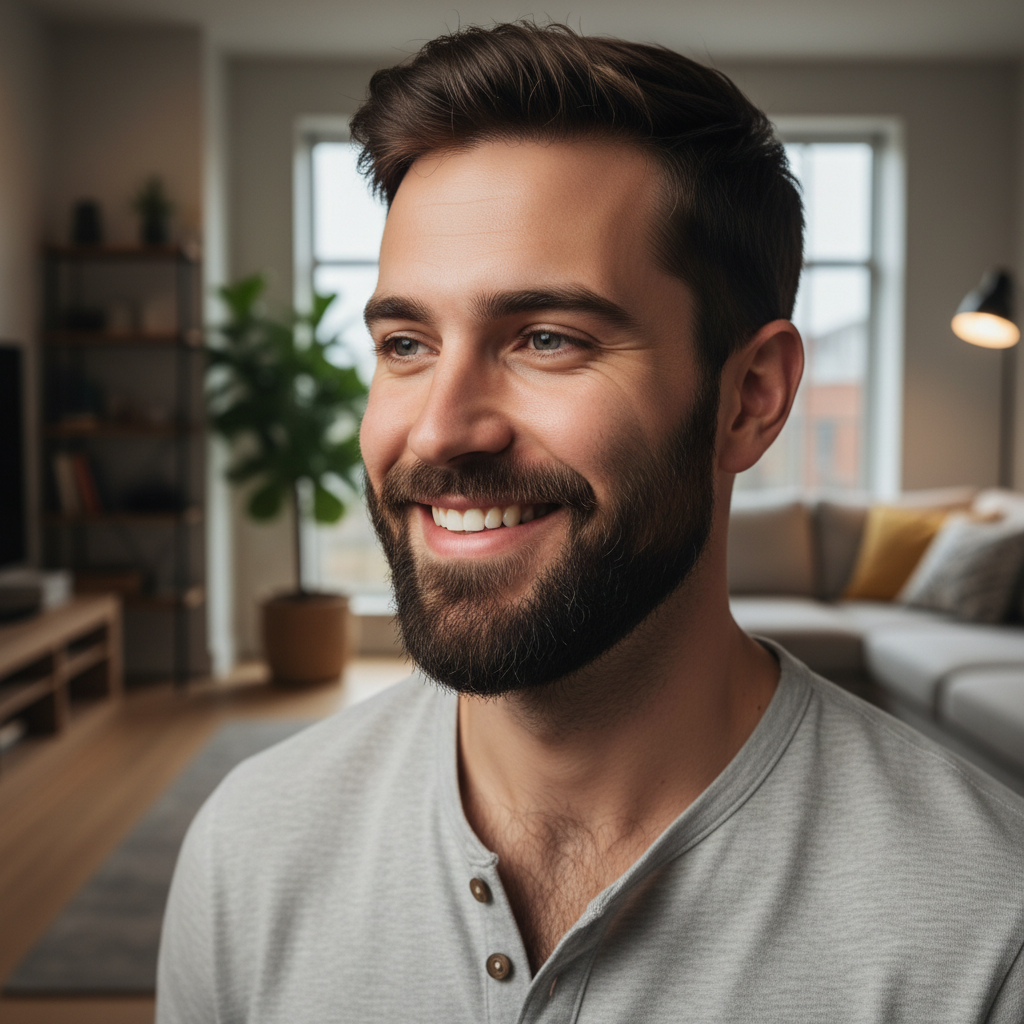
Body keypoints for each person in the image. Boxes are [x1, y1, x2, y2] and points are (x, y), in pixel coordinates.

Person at [157, 22, 1024, 1023]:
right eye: (406, 341)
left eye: (545, 338)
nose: (440, 426)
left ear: (749, 398)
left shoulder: (987, 933)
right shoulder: (249, 847)